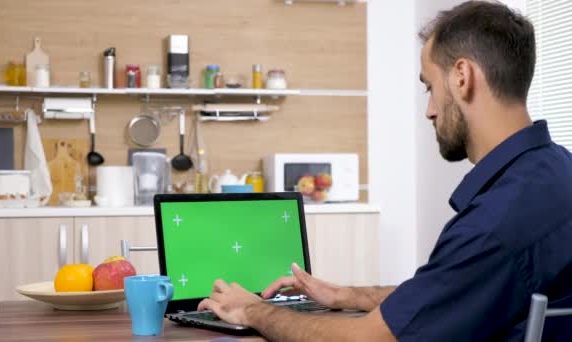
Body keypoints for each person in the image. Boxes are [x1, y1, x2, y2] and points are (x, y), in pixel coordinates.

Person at [198, 1, 572, 340]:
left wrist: (252, 309)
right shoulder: (557, 173)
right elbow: (450, 293)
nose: (429, 110)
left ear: (462, 76)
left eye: (429, 87)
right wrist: (345, 295)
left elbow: (369, 340)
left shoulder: (494, 224)